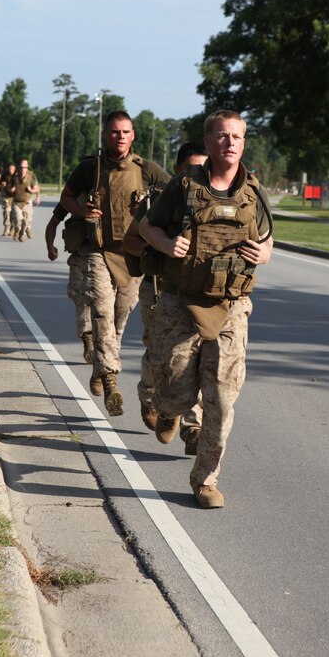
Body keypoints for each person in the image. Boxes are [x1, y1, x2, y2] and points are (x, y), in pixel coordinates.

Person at [139, 110, 273, 509]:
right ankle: (167, 409)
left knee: (222, 398)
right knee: (177, 392)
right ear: (209, 141)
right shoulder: (183, 185)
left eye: (237, 136)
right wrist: (166, 245)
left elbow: (267, 240)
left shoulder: (254, 192)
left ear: (244, 142)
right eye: (222, 135)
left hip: (231, 307)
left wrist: (264, 253)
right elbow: (147, 227)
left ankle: (205, 480)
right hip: (181, 304)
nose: (230, 142)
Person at [60, 110, 169, 416]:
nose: (120, 137)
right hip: (97, 251)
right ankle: (110, 380)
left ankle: (100, 367)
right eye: (114, 131)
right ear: (105, 135)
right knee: (102, 310)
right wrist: (82, 213)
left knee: (119, 321)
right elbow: (67, 197)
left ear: (133, 136)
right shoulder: (89, 169)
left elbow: (176, 194)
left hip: (134, 255)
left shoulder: (147, 170)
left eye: (125, 132)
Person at [123, 142, 207, 444]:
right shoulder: (157, 199)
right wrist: (158, 246)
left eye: (203, 169)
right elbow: (130, 241)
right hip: (159, 289)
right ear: (177, 170)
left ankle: (192, 426)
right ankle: (151, 398)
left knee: (196, 359)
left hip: (199, 294)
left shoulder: (212, 201)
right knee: (160, 354)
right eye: (190, 169)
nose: (197, 175)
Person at [45, 201, 94, 364]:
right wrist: (50, 246)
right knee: (78, 293)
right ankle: (88, 336)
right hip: (80, 254)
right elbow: (53, 223)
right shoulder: (75, 194)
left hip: (108, 256)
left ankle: (105, 340)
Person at [9, 159, 40, 241]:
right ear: (19, 168)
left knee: (26, 221)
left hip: (27, 202)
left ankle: (22, 234)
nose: (22, 169)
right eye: (21, 167)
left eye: (24, 167)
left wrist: (34, 193)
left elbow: (37, 188)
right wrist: (11, 189)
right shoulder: (14, 177)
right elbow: (9, 187)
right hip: (17, 202)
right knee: (18, 219)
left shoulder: (31, 176)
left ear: (27, 168)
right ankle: (17, 231)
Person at [0, 161, 16, 236]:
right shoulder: (4, 175)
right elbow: (0, 183)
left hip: (15, 197)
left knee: (14, 214)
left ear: (14, 169)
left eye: (12, 169)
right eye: (9, 169)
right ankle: (6, 227)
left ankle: (12, 228)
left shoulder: (17, 176)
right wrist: (2, 184)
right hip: (7, 196)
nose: (11, 170)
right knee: (7, 211)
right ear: (7, 169)